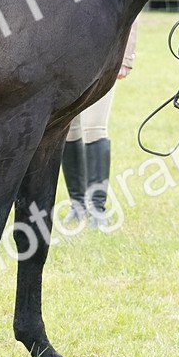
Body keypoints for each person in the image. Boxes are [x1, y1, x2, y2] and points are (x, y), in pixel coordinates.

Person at [61, 21, 137, 229]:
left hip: (104, 53)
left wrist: (126, 54)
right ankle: (77, 205)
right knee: (69, 130)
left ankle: (96, 208)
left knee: (94, 127)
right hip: (65, 56)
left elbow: (131, 6)